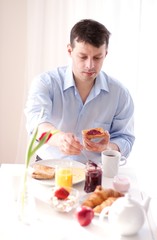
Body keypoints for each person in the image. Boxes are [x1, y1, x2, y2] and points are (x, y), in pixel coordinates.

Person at [24, 19, 135, 164]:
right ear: (70, 51)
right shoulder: (45, 83)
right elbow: (36, 124)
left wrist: (107, 147)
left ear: (105, 54)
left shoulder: (120, 94)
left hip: (94, 172)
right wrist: (60, 139)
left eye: (97, 57)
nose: (90, 65)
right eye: (83, 57)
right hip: (49, 167)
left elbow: (125, 138)